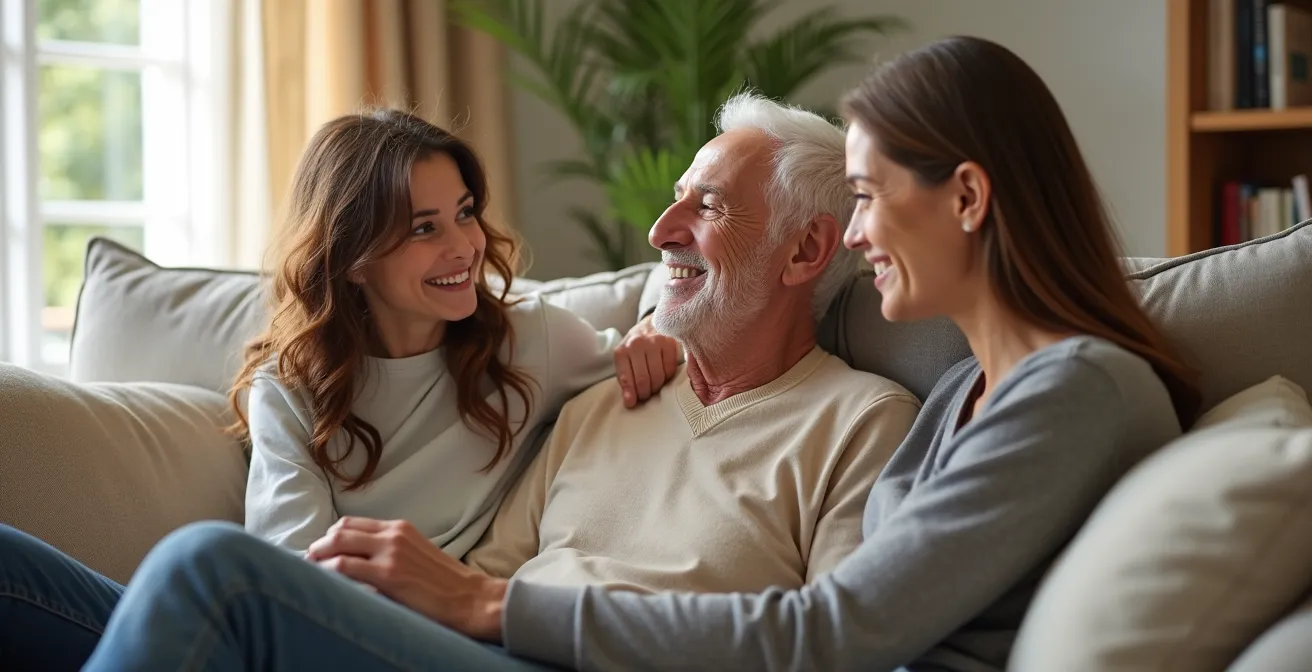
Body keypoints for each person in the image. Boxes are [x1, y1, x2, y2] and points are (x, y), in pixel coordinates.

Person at [78, 35, 1202, 672]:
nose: (862, 236)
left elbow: (841, 633)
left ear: (963, 199)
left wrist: (483, 609)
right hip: (488, 649)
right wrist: (431, 595)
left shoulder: (912, 414)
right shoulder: (958, 390)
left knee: (201, 573)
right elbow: (484, 578)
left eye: (865, 201)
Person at [0, 109, 678, 672]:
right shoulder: (292, 389)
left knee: (205, 562)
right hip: (314, 624)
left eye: (464, 213)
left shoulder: (531, 343)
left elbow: (665, 326)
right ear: (353, 257)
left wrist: (654, 330)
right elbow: (294, 564)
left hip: (440, 641)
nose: (464, 245)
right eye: (424, 227)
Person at [461, 93, 921, 595]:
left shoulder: (863, 423)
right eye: (676, 198)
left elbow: (830, 641)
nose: (660, 233)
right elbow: (472, 585)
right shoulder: (598, 403)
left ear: (806, 250)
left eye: (709, 206)